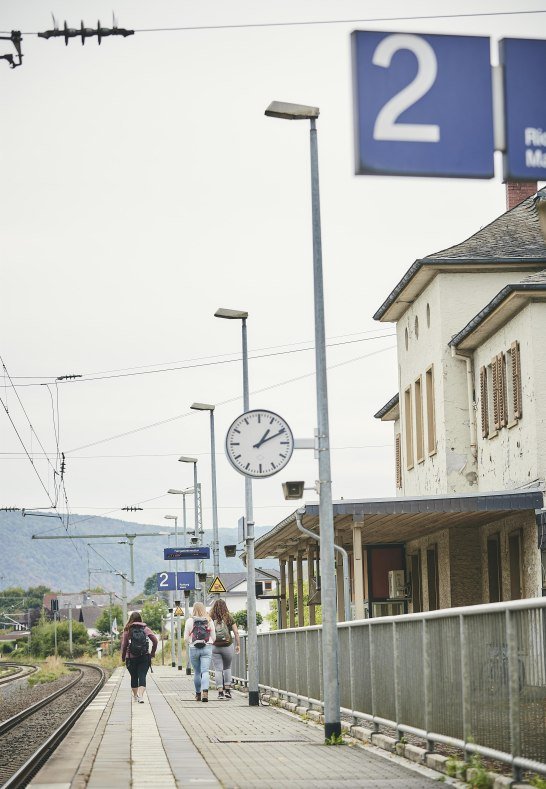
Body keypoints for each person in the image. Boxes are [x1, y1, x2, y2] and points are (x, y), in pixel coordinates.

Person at [121, 611, 158, 703]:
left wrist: (123, 656)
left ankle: (135, 696)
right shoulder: (145, 629)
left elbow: (124, 645)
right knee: (142, 676)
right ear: (140, 619)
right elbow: (155, 641)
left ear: (131, 619)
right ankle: (140, 696)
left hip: (130, 658)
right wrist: (152, 652)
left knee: (134, 677)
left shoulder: (127, 630)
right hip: (144, 656)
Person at [184, 602, 216, 702]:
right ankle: (205, 693)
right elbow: (214, 637)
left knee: (197, 672)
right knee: (205, 671)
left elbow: (185, 638)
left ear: (193, 609)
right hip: (206, 648)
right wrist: (208, 642)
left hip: (193, 648)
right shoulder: (209, 620)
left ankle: (198, 694)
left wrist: (191, 642)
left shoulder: (189, 621)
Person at [210, 598, 240, 700]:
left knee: (218, 669)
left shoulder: (210, 617)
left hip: (214, 646)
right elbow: (236, 632)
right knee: (227, 668)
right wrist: (238, 644)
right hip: (227, 645)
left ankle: (220, 693)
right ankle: (227, 690)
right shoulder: (228, 617)